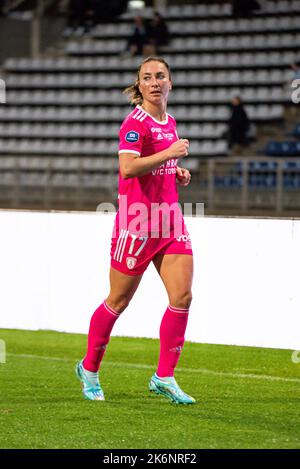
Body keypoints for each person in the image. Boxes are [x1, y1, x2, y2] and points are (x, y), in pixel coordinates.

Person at [75, 56, 196, 405]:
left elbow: (155, 164)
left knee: (182, 297)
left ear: (170, 82)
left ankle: (164, 376)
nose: (155, 82)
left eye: (161, 76)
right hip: (138, 223)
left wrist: (175, 170)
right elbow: (128, 168)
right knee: (118, 301)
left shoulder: (169, 121)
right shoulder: (135, 123)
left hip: (170, 220)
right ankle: (90, 368)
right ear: (139, 86)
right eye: (148, 77)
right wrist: (170, 154)